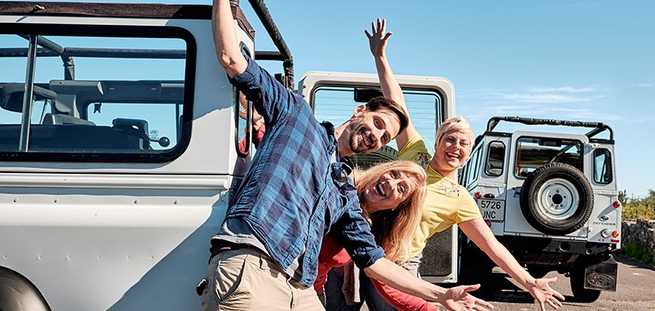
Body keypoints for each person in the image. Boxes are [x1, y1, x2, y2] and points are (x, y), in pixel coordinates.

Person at [203, 1, 494, 311]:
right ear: (360, 111)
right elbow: (232, 59)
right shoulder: (296, 115)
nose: (376, 137)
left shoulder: (341, 187)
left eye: (384, 138)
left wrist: (438, 296)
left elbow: (373, 261)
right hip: (255, 262)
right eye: (378, 124)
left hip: (297, 283)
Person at [361, 18, 566, 311]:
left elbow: (492, 247)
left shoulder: (460, 199)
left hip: (401, 268)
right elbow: (397, 102)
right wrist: (380, 57)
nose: (455, 147)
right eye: (450, 139)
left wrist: (529, 281)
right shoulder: (414, 153)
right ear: (437, 141)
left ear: (469, 153)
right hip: (363, 249)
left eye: (463, 144)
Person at [314, 160, 426, 297]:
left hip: (311, 290)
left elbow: (383, 279)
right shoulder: (342, 186)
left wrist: (441, 298)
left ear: (399, 206)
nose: (391, 183)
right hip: (287, 279)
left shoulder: (375, 230)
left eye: (401, 188)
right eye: (393, 174)